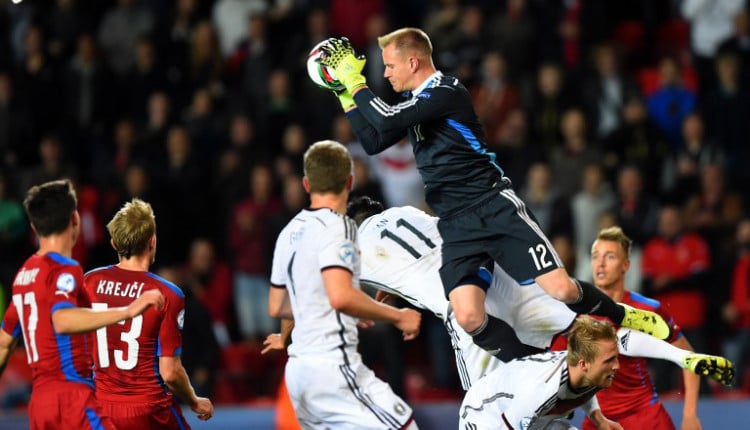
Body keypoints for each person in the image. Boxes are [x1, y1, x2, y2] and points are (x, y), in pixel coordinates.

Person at [319, 28, 671, 362]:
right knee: (469, 316)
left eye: (390, 65)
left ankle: (624, 314)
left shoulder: (446, 90)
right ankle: (533, 369)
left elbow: (384, 122)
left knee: (561, 290)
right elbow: (374, 140)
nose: (387, 73)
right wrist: (343, 92)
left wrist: (356, 80)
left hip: (492, 205)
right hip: (455, 223)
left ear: (413, 62)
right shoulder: (414, 102)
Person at [343, 196, 732, 391]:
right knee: (586, 329)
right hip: (496, 279)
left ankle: (549, 386)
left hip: (466, 308)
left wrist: (386, 310)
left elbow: (334, 294)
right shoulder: (409, 213)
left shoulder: (353, 245)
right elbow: (432, 249)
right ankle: (678, 353)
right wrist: (395, 295)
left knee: (487, 404)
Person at [267, 140, 421, 429]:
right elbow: (340, 296)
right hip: (333, 367)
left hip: (298, 373)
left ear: (305, 184)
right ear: (350, 182)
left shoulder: (289, 231)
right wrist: (399, 315)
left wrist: (287, 334)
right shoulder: (341, 227)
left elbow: (278, 306)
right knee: (404, 424)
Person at [0, 179, 164, 429]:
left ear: (34, 226)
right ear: (75, 219)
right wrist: (129, 310)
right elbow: (63, 320)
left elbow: (3, 343)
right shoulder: (65, 269)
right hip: (72, 397)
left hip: (40, 405)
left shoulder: (24, 276)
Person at [83, 198, 214, 428]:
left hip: (100, 408)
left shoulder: (89, 282)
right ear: (152, 241)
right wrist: (193, 400)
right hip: (149, 409)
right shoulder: (167, 294)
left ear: (113, 243)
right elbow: (170, 372)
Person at [582, 226, 710, 429]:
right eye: (596, 256)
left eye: (610, 256)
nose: (601, 263)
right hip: (598, 420)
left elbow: (689, 356)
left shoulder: (648, 309)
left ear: (625, 265)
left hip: (645, 418)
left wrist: (689, 414)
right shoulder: (577, 312)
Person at [459, 316, 622, 430]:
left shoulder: (587, 371)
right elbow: (509, 425)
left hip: (528, 415)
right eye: (609, 360)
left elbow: (585, 386)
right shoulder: (542, 390)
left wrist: (599, 420)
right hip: (485, 415)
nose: (617, 366)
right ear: (584, 364)